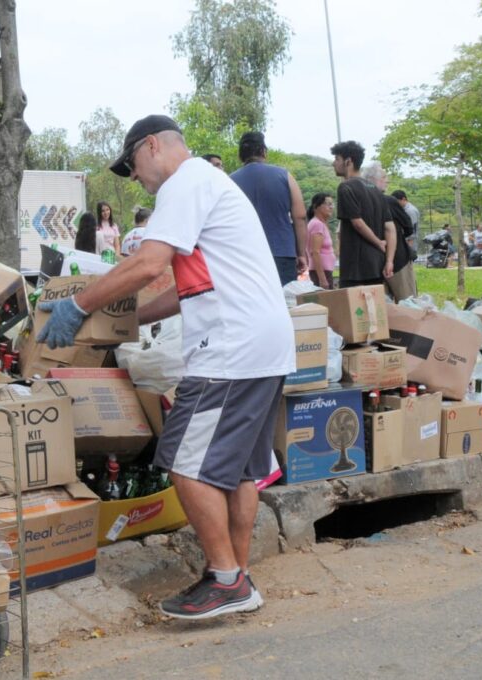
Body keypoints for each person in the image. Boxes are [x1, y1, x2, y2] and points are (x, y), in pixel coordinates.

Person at [37, 115, 294, 620]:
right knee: (238, 473)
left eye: (133, 165)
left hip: (230, 349)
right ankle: (236, 577)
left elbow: (149, 264)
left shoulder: (185, 182)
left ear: (153, 146)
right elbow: (185, 288)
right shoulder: (211, 186)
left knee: (183, 462)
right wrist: (127, 322)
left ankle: (225, 580)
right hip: (265, 345)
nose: (136, 179)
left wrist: (80, 305)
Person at [230, 131, 308, 286]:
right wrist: (301, 253)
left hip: (244, 256)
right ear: (264, 152)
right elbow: (300, 216)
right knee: (284, 302)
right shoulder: (284, 176)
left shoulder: (229, 181)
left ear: (240, 156)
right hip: (282, 252)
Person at [330, 141, 396, 288]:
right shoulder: (376, 190)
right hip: (377, 264)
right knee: (374, 309)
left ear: (348, 161)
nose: (333, 163)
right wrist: (389, 261)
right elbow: (390, 228)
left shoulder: (345, 187)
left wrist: (378, 242)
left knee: (355, 309)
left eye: (337, 159)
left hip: (355, 268)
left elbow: (357, 223)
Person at [362, 164, 416, 301]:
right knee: (408, 302)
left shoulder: (360, 201)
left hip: (372, 263)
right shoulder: (388, 201)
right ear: (373, 179)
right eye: (384, 177)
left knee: (381, 306)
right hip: (398, 260)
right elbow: (408, 227)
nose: (387, 180)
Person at [305, 193, 336, 289]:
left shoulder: (320, 224)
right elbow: (315, 252)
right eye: (328, 204)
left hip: (325, 271)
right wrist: (322, 279)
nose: (331, 207)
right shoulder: (317, 224)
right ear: (316, 207)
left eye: (332, 204)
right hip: (321, 272)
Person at [391, 190, 420, 255]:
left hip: (408, 246)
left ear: (403, 199)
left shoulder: (410, 211)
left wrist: (408, 249)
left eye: (396, 201)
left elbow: (412, 231)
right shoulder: (403, 210)